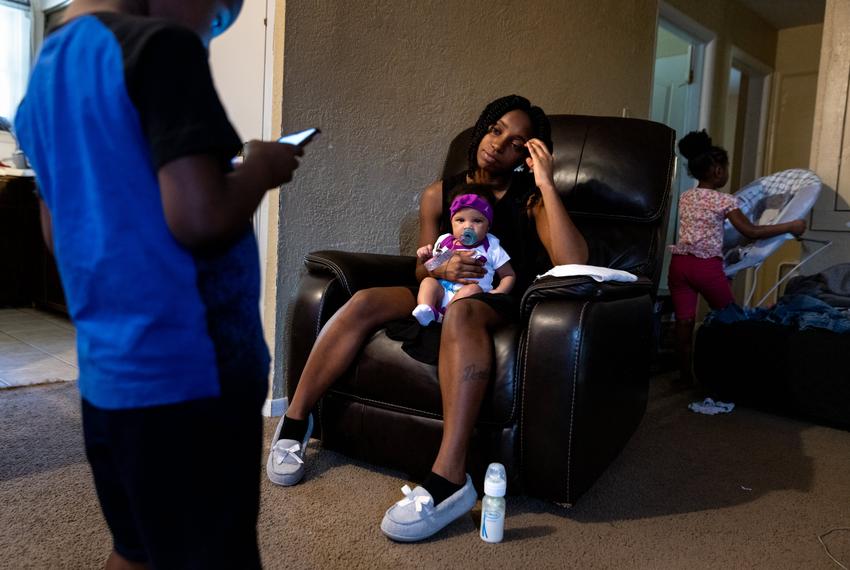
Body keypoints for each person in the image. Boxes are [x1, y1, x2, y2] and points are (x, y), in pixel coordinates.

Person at [14, 1, 305, 567]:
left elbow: (56, 233)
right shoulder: (161, 49)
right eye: (217, 13)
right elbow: (200, 217)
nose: (212, 30)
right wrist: (262, 169)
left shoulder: (45, 74)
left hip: (110, 382)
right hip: (191, 376)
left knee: (136, 550)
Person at [267, 94, 588, 542]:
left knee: (462, 314)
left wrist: (548, 184)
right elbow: (421, 268)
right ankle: (296, 423)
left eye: (516, 143)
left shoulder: (530, 199)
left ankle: (450, 477)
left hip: (496, 300)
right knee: (362, 302)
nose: (499, 144)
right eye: (496, 129)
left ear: (525, 155)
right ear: (482, 127)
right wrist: (441, 268)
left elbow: (574, 262)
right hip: (439, 290)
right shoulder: (439, 193)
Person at [668, 130, 806, 384]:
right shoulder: (724, 200)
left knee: (684, 321)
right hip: (705, 267)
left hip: (679, 265)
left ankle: (685, 375)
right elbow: (750, 231)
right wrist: (790, 226)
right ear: (718, 171)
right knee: (731, 318)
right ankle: (732, 372)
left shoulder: (686, 197)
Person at [412, 186, 515, 326]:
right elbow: (433, 266)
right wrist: (426, 256)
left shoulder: (490, 246)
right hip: (443, 292)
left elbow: (508, 275)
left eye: (477, 221)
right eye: (460, 220)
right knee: (428, 283)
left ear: (488, 226)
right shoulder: (446, 242)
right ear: (451, 222)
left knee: (473, 289)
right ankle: (427, 309)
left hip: (470, 299)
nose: (468, 226)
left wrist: (497, 293)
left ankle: (446, 316)